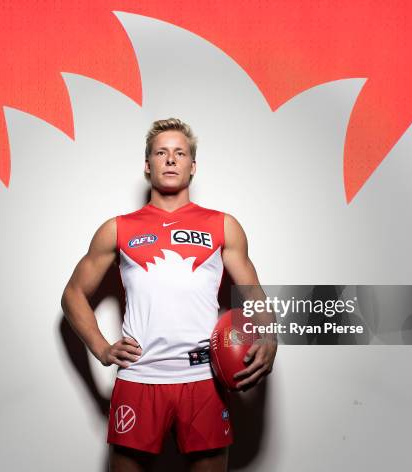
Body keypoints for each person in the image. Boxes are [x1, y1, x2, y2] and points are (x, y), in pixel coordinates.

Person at [61, 118, 277, 471]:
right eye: (161, 153)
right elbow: (73, 294)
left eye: (180, 153)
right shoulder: (118, 228)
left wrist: (268, 333)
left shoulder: (223, 225)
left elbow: (251, 291)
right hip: (139, 377)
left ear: (193, 167)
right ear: (148, 166)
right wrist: (101, 347)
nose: (171, 159)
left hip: (203, 379)